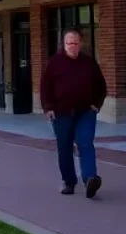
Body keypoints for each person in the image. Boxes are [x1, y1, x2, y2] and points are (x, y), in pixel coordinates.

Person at [41, 28, 107, 198]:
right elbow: (45, 87)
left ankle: (90, 179)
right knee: (64, 147)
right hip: (61, 113)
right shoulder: (54, 63)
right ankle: (69, 181)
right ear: (64, 44)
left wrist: (96, 104)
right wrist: (48, 108)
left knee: (85, 143)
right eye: (69, 43)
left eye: (75, 43)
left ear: (81, 44)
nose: (72, 46)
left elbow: (101, 85)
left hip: (85, 112)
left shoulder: (89, 62)